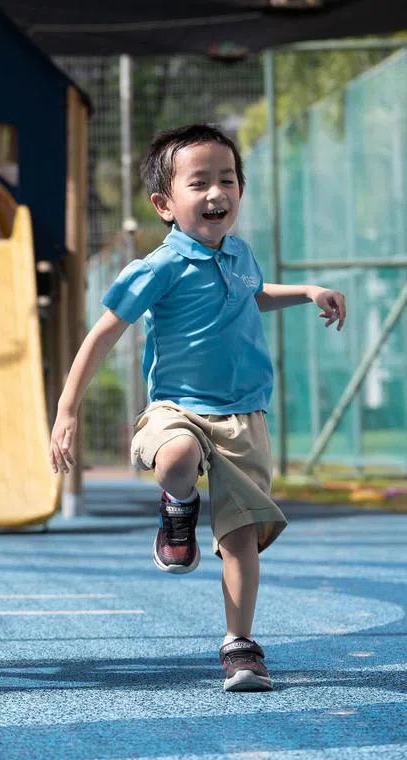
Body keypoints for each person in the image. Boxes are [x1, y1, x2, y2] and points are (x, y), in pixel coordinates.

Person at [49, 123, 347, 692]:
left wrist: (306, 292)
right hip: (177, 408)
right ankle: (178, 506)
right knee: (178, 454)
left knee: (240, 537)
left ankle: (239, 645)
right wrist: (67, 410)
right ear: (164, 203)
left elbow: (251, 295)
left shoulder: (239, 253)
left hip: (244, 416)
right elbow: (102, 334)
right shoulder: (156, 267)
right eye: (200, 182)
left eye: (227, 180)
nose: (217, 193)